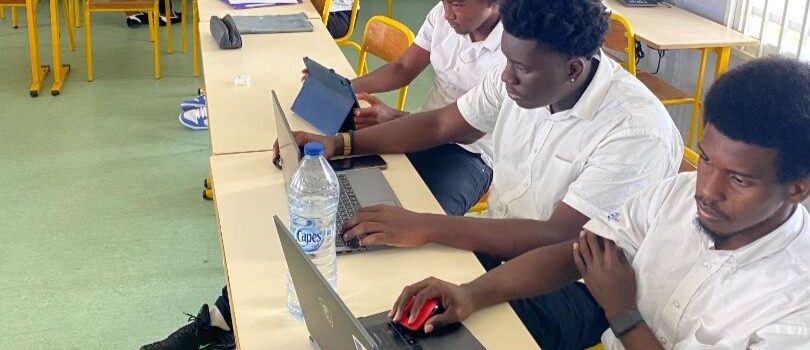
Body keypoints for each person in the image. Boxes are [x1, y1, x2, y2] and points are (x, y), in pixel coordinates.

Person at [387, 56, 810, 349]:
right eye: (706, 160)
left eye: (738, 179)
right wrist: (470, 293)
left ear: (797, 188)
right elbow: (578, 253)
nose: (707, 190)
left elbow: (607, 292)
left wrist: (622, 311)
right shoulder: (676, 196)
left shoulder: (795, 307)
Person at [284, 0, 682, 265]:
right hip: (502, 240)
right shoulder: (524, 72)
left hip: (572, 280)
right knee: (380, 253)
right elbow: (441, 124)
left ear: (573, 70)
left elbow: (558, 237)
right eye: (506, 60)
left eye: (520, 68)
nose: (505, 77)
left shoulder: (636, 132)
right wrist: (341, 144)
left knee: (406, 276)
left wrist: (427, 225)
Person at [348, 0, 504, 215]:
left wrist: (399, 119)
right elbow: (403, 67)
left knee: (428, 215)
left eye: (457, 5)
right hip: (424, 127)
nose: (447, 14)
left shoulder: (513, 49)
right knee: (352, 176)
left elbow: (462, 129)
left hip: (474, 153)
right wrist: (346, 86)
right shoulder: (442, 14)